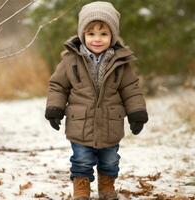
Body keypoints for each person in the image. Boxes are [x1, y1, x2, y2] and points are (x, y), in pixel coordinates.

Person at [45, 1, 148, 199]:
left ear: (113, 36)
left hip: (111, 123)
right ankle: (81, 189)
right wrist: (55, 108)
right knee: (81, 160)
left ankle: (107, 187)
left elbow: (131, 89)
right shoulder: (70, 60)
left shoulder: (121, 62)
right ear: (83, 34)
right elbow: (58, 85)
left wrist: (137, 113)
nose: (97, 39)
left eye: (103, 34)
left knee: (110, 160)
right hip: (80, 123)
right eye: (91, 34)